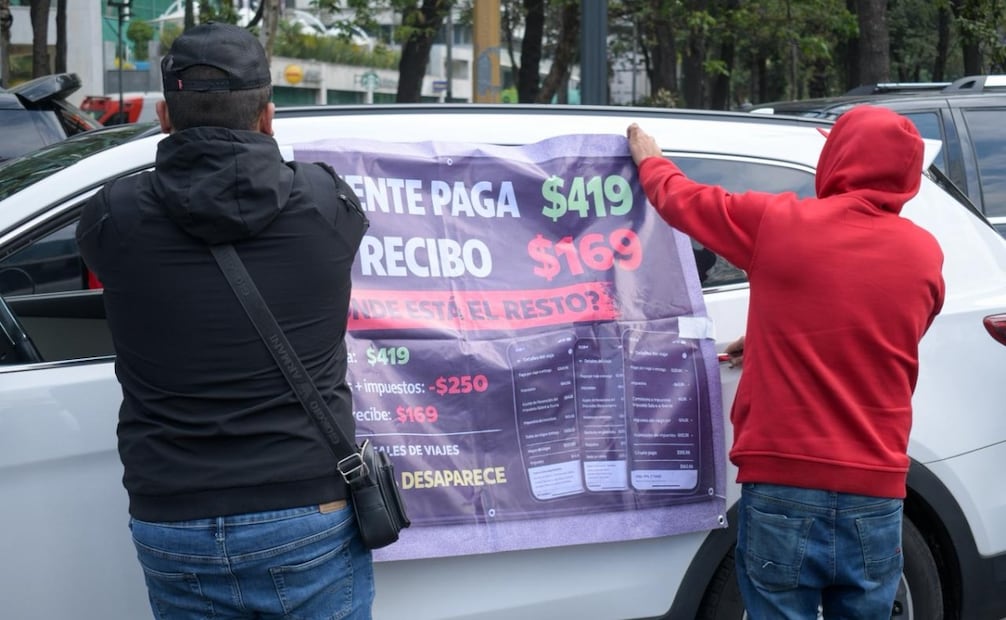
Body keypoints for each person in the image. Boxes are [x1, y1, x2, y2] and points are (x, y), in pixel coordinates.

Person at [76, 23, 373, 620]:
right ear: (268, 116)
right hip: (306, 507)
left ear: (165, 116)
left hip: (173, 517)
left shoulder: (115, 215)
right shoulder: (323, 201)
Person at [627, 106, 945, 619]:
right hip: (876, 493)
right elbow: (872, 331)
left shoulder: (781, 224)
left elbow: (685, 202)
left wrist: (650, 161)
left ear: (838, 157)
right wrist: (768, 335)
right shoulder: (924, 254)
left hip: (784, 488)